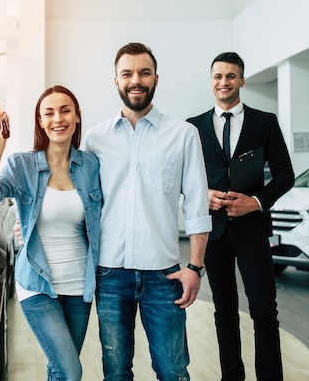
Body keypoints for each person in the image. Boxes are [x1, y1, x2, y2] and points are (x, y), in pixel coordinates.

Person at [80, 42, 212, 380]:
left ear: (156, 78)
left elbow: (197, 205)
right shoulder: (94, 140)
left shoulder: (183, 135)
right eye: (127, 73)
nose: (135, 80)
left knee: (172, 370)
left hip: (163, 276)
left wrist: (195, 267)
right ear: (116, 81)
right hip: (109, 275)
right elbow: (78, 202)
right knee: (116, 372)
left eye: (143, 72)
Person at [0, 86, 102, 381]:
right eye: (49, 113)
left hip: (79, 285)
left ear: (77, 117)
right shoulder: (23, 165)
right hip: (37, 283)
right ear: (41, 121)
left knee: (59, 369)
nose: (58, 118)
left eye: (65, 110)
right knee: (71, 372)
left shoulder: (91, 166)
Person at [187, 52, 295, 381]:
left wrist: (257, 202)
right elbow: (181, 178)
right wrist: (201, 194)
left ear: (242, 80)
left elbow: (285, 175)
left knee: (264, 309)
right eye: (218, 76)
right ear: (211, 81)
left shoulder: (265, 122)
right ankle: (231, 377)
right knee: (224, 310)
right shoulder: (193, 127)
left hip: (252, 229)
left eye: (231, 76)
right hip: (214, 231)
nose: (224, 82)